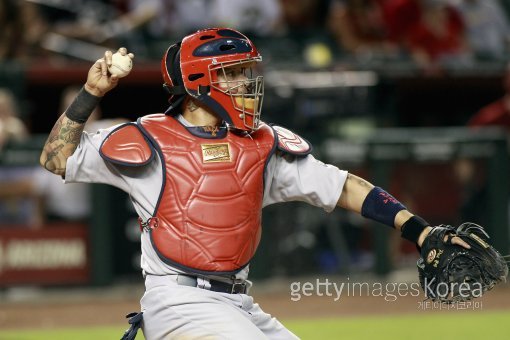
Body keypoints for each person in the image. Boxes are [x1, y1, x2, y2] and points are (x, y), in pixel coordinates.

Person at [39, 28, 470, 339]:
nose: (245, 81)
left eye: (245, 70)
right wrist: (92, 92)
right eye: (232, 72)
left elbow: (343, 187)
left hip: (238, 302)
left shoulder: (261, 144)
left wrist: (420, 229)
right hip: (179, 304)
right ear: (196, 84)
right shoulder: (149, 138)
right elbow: (55, 159)